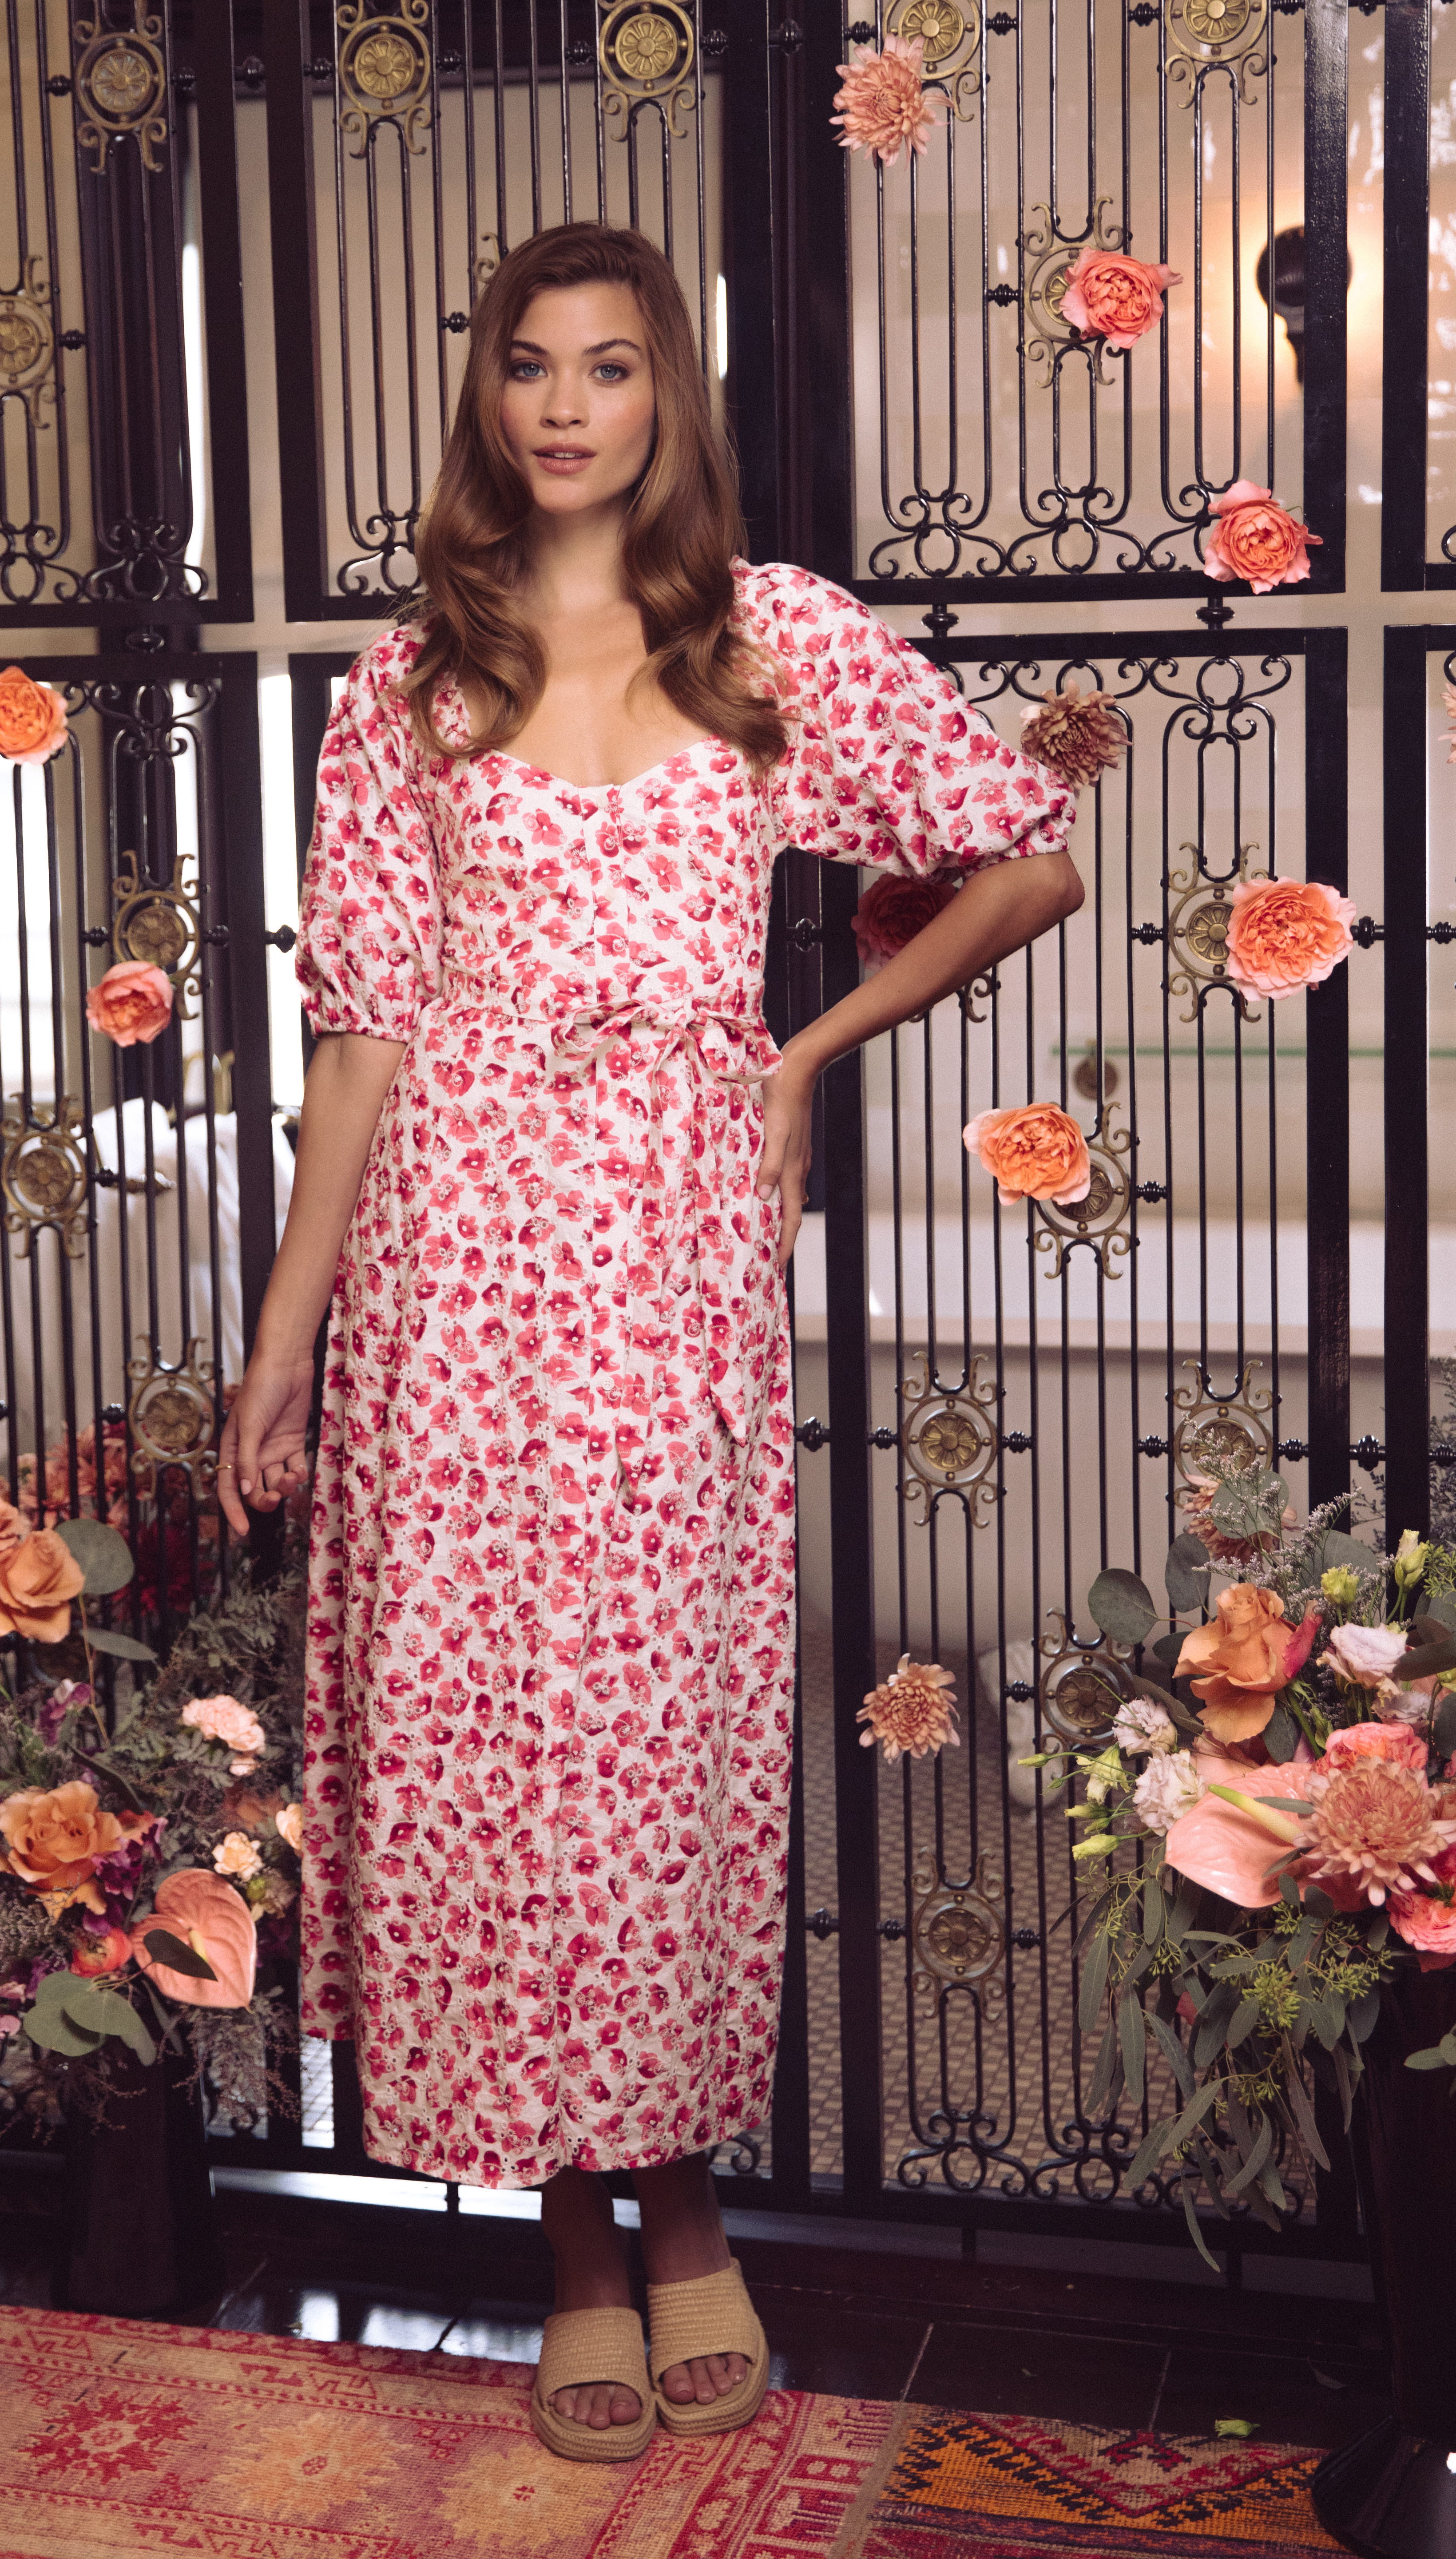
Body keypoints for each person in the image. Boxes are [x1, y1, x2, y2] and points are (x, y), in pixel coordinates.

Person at [217, 219, 1081, 2461]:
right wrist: (289, 1337)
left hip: (671, 1250)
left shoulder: (768, 637)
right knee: (489, 1739)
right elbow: (364, 1034)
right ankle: (573, 2245)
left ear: (667, 395)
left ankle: (677, 2197)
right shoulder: (403, 683)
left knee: (659, 1737)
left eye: (612, 365)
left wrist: (807, 1051)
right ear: (487, 399)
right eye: (530, 364)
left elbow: (1024, 858)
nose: (570, 403)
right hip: (453, 1261)